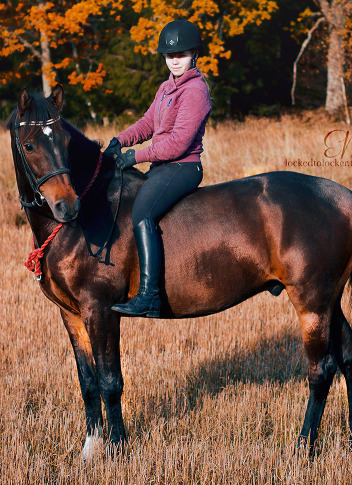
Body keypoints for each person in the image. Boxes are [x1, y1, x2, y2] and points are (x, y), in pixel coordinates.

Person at [105, 19, 211, 318]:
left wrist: (134, 156)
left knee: (141, 213)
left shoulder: (195, 90)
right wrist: (120, 140)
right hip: (161, 166)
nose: (175, 60)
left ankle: (149, 296)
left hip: (182, 167)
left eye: (181, 54)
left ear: (194, 55)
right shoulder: (166, 87)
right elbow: (149, 123)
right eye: (169, 55)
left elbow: (178, 143)